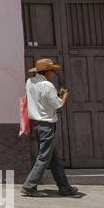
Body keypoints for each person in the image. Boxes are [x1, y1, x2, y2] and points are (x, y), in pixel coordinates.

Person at [21, 58, 80, 198]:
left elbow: (40, 100)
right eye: (52, 71)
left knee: (53, 159)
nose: (52, 74)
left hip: (36, 124)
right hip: (47, 125)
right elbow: (57, 105)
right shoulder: (48, 85)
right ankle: (29, 186)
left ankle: (64, 187)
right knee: (43, 158)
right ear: (46, 71)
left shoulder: (29, 82)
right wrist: (64, 96)